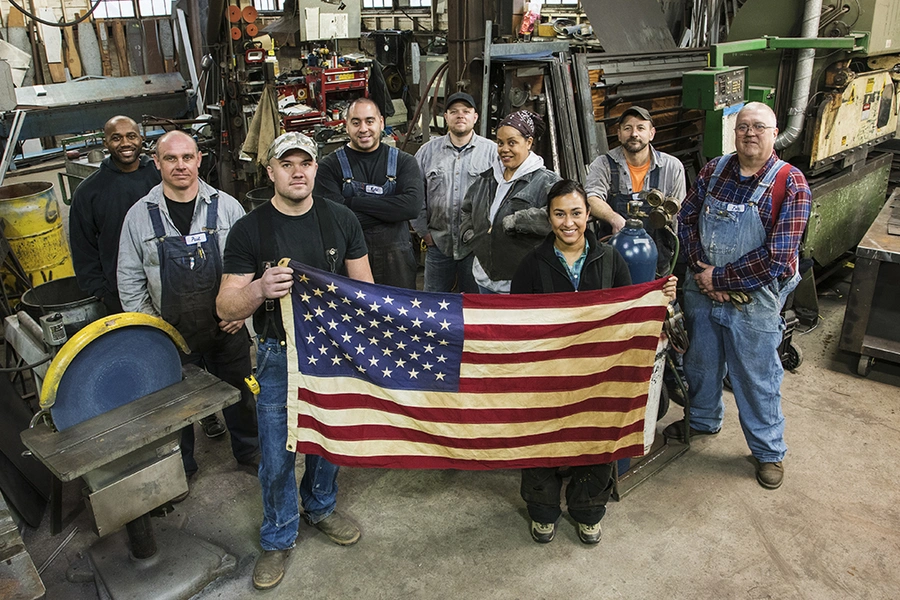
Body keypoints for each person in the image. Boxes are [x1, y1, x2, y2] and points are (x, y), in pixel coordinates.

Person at [216, 132, 374, 591]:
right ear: (270, 172)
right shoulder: (250, 229)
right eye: (288, 164)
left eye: (306, 162)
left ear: (316, 168)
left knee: (327, 439)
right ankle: (279, 535)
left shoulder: (341, 219)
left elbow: (364, 289)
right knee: (278, 452)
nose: (298, 171)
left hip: (332, 354)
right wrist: (259, 289)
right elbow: (226, 307)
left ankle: (321, 507)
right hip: (275, 354)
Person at [512, 179, 677, 545]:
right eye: (559, 214)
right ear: (548, 217)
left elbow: (630, 310)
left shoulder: (610, 260)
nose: (568, 222)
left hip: (598, 378)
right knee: (542, 443)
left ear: (589, 215)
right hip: (548, 377)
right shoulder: (530, 265)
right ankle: (542, 511)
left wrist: (659, 295)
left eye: (575, 213)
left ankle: (588, 512)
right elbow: (516, 324)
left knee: (596, 441)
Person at [665, 102, 811, 491]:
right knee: (700, 363)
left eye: (759, 127)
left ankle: (767, 451)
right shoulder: (714, 170)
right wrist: (700, 270)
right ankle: (702, 421)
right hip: (702, 289)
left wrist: (723, 278)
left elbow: (779, 257)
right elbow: (686, 220)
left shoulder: (790, 183)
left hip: (753, 302)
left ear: (774, 132)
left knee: (756, 378)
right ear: (735, 131)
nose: (750, 133)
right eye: (743, 126)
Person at [117, 130, 260, 480]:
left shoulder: (227, 208)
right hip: (171, 333)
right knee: (175, 405)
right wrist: (155, 330)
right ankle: (182, 464)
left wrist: (242, 311)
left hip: (227, 327)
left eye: (187, 157)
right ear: (157, 163)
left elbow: (252, 264)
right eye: (170, 158)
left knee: (240, 393)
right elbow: (130, 279)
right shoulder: (139, 217)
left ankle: (249, 450)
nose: (180, 166)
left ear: (199, 160)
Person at [315, 97, 422, 288]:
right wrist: (391, 213)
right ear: (346, 125)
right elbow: (332, 219)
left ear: (381, 122)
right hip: (349, 263)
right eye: (356, 122)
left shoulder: (405, 162)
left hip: (397, 265)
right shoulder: (328, 167)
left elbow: (410, 207)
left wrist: (350, 203)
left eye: (369, 121)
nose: (363, 129)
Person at [459, 110, 561, 294]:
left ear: (528, 142)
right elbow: (467, 208)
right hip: (484, 278)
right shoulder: (487, 179)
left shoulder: (547, 182)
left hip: (521, 282)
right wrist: (469, 234)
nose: (504, 149)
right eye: (500, 143)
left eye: (512, 142)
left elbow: (561, 216)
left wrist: (520, 221)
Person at [69, 116, 161, 315]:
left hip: (169, 285)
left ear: (141, 139)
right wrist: (102, 292)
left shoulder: (161, 178)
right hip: (119, 293)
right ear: (106, 143)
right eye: (116, 138)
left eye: (131, 136)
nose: (125, 143)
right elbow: (82, 248)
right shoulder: (88, 192)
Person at [584, 106, 686, 276]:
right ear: (619, 133)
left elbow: (678, 218)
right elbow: (591, 197)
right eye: (627, 128)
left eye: (640, 128)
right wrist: (614, 218)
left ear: (651, 133)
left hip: (658, 263)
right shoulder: (603, 164)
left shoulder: (672, 167)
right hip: (613, 262)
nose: (634, 134)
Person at [412, 92, 495, 292]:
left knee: (475, 307)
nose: (460, 116)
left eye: (466, 111)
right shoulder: (427, 152)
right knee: (433, 307)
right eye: (454, 112)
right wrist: (424, 232)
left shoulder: (492, 152)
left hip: (475, 248)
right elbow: (414, 195)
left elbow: (501, 195)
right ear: (446, 116)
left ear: (475, 117)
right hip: (438, 245)